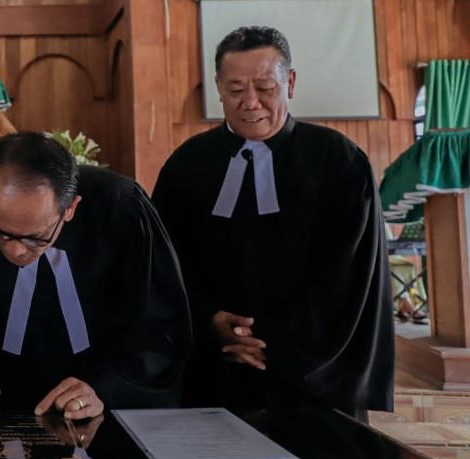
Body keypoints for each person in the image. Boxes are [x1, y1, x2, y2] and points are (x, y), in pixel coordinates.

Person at [152, 26, 394, 420]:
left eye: (265, 87)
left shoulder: (338, 161)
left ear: (290, 82)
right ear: (217, 87)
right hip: (214, 365)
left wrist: (273, 341)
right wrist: (208, 321)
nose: (250, 103)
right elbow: (164, 264)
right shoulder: (186, 166)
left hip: (313, 373)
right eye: (234, 90)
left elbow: (349, 274)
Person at [0, 132, 191, 420]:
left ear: (70, 208)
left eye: (35, 237)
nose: (17, 251)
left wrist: (106, 389)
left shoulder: (121, 208)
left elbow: (159, 328)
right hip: (11, 408)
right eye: (0, 232)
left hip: (112, 404)